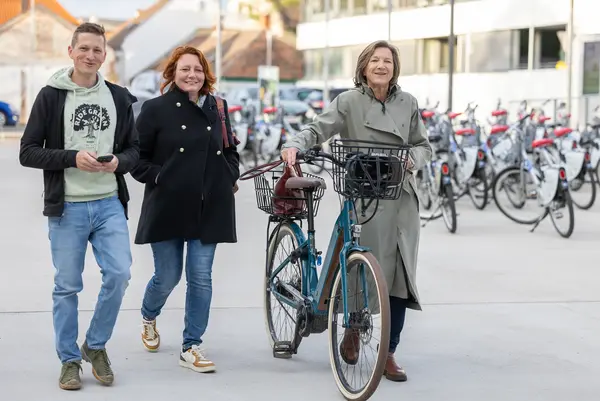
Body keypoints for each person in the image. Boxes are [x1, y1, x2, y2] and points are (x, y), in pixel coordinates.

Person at [280, 40, 432, 382]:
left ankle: (388, 351)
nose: (382, 66)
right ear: (364, 67)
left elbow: (423, 145)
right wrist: (295, 144)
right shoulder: (348, 101)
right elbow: (319, 128)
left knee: (399, 279)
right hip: (362, 196)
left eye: (388, 61)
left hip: (399, 197)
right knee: (357, 270)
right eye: (375, 61)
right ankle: (351, 329)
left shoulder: (408, 103)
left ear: (395, 68)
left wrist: (413, 159)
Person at [18, 22, 139, 390]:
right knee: (67, 286)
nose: (90, 56)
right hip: (67, 207)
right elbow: (28, 152)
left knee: (119, 275)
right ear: (70, 51)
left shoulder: (119, 97)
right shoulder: (51, 96)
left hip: (107, 204)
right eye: (83, 48)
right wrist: (71, 158)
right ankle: (69, 360)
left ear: (105, 55)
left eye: (97, 50)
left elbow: (134, 151)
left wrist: (119, 163)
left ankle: (95, 345)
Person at [130, 46, 239, 374]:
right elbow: (137, 158)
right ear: (172, 74)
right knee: (167, 276)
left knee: (200, 277)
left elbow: (230, 149)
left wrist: (228, 175)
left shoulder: (217, 107)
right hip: (167, 204)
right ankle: (149, 316)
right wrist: (161, 176)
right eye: (184, 69)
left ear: (205, 74)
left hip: (211, 203)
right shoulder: (154, 109)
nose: (191, 75)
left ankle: (191, 345)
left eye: (197, 69)